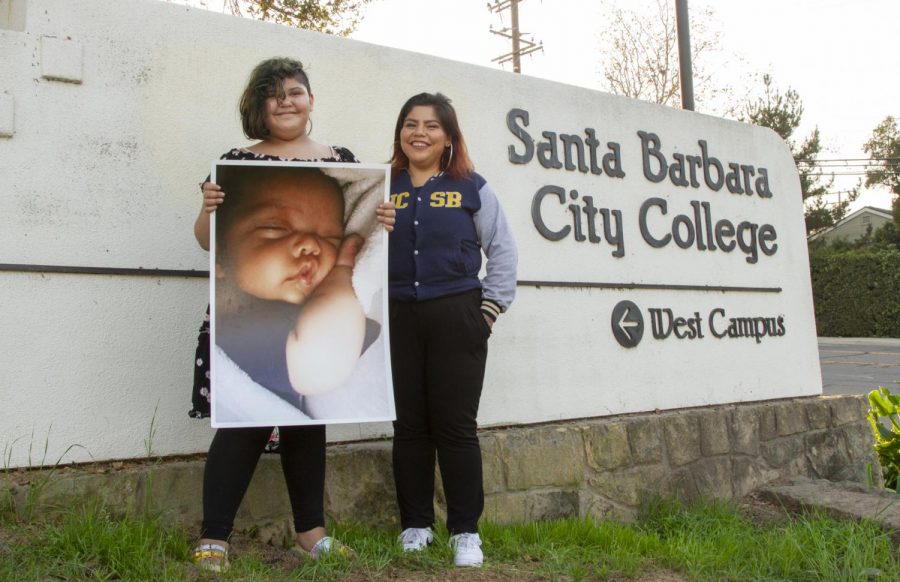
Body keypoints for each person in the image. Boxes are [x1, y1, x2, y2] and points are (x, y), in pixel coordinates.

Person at [188, 57, 393, 573]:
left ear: (311, 100)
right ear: (259, 105)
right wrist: (207, 212)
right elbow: (207, 243)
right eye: (274, 93)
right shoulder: (236, 162)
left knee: (309, 426)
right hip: (245, 321)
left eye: (296, 91)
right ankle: (215, 534)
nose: (286, 101)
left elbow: (365, 225)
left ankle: (311, 532)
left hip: (314, 309)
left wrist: (380, 223)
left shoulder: (340, 159)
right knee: (240, 427)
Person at [387, 93, 518, 568]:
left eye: (431, 126)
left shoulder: (471, 187)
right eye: (410, 124)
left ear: (448, 137)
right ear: (400, 132)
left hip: (457, 316)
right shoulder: (385, 187)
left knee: (456, 428)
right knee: (409, 426)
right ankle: (415, 526)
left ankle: (465, 531)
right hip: (400, 316)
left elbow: (502, 248)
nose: (419, 132)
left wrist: (488, 311)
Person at [214, 166, 369, 410]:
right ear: (219, 255)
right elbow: (319, 365)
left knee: (306, 442)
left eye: (331, 239)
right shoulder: (239, 323)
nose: (311, 245)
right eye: (275, 229)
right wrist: (342, 271)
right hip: (251, 426)